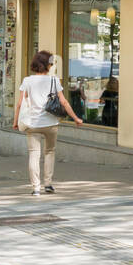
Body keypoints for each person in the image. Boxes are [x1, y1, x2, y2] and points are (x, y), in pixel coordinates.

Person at [13, 50, 83, 195]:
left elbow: (20, 104)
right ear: (48, 65)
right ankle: (48, 184)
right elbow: (63, 102)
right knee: (49, 152)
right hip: (50, 123)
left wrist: (15, 122)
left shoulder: (27, 81)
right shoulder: (54, 80)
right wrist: (76, 118)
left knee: (34, 154)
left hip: (32, 123)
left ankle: (36, 188)